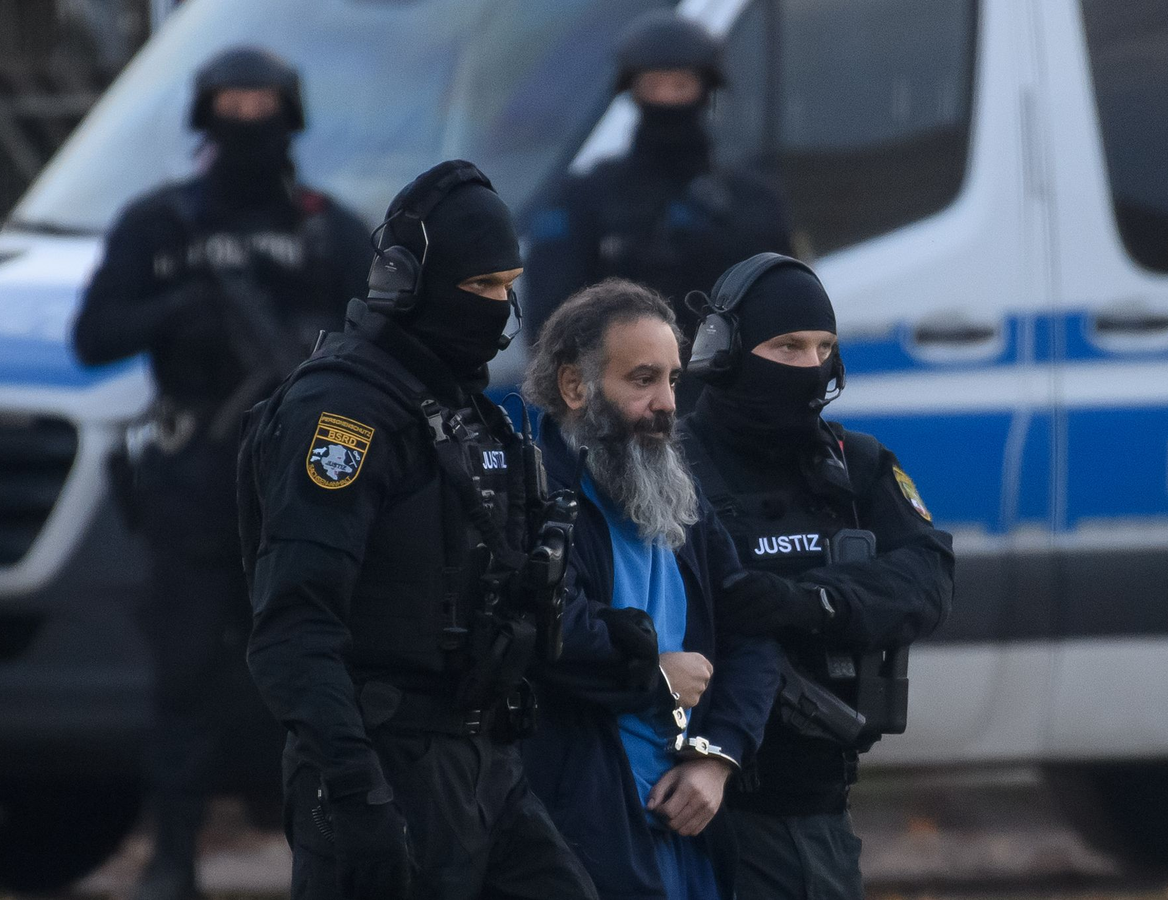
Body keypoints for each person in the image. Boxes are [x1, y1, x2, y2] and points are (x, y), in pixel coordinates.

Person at [238, 160, 598, 900]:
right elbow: (293, 630)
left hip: (485, 764)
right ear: (405, 284)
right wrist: (356, 789)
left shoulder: (468, 409)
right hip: (380, 764)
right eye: (481, 286)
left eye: (508, 285)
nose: (499, 307)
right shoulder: (344, 415)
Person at [72, 46, 370, 900]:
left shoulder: (327, 229)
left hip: (299, 486)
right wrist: (179, 310)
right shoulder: (159, 225)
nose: (247, 120)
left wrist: (316, 342)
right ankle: (173, 854)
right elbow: (94, 336)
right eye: (231, 104)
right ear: (206, 115)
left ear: (289, 114)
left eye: (261, 103)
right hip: (192, 483)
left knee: (311, 668)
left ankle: (328, 853)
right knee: (183, 676)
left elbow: (383, 343)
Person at [679, 253, 955, 900]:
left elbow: (929, 574)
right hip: (697, 801)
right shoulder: (672, 465)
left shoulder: (854, 464)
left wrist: (816, 603)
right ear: (724, 351)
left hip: (820, 813)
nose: (810, 365)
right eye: (788, 346)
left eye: (824, 347)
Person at [520, 278, 781, 900]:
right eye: (643, 380)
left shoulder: (678, 496)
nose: (666, 403)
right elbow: (547, 638)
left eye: (673, 380)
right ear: (575, 386)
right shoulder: (534, 499)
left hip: (690, 837)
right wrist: (655, 674)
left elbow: (753, 627)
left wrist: (717, 757)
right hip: (585, 843)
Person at [523, 9, 791, 399]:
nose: (667, 99)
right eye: (654, 86)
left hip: (727, 409)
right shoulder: (586, 198)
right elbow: (551, 324)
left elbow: (786, 317)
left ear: (705, 88)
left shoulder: (751, 201)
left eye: (680, 85)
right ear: (632, 91)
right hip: (622, 407)